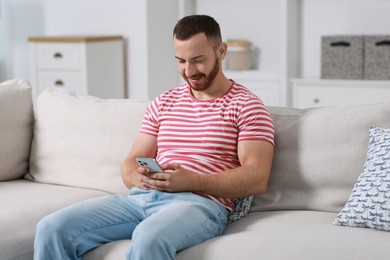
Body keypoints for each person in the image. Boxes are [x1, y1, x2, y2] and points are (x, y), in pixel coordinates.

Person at [34, 14, 275, 260]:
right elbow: (131, 162)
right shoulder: (164, 102)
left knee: (149, 238)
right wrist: (135, 176)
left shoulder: (247, 105)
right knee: (51, 228)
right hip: (142, 199)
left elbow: (256, 177)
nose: (189, 71)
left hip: (198, 205)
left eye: (198, 60)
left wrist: (192, 181)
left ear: (221, 51)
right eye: (180, 61)